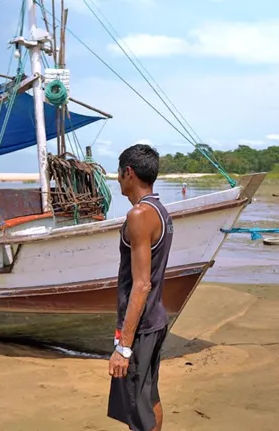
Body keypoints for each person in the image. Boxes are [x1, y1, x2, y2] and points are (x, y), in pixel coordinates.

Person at [107, 143, 173, 431]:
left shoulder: (139, 216)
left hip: (142, 327)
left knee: (137, 410)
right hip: (156, 320)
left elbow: (142, 284)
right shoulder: (160, 211)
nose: (118, 179)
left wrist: (124, 347)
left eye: (119, 173)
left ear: (129, 173)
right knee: (149, 397)